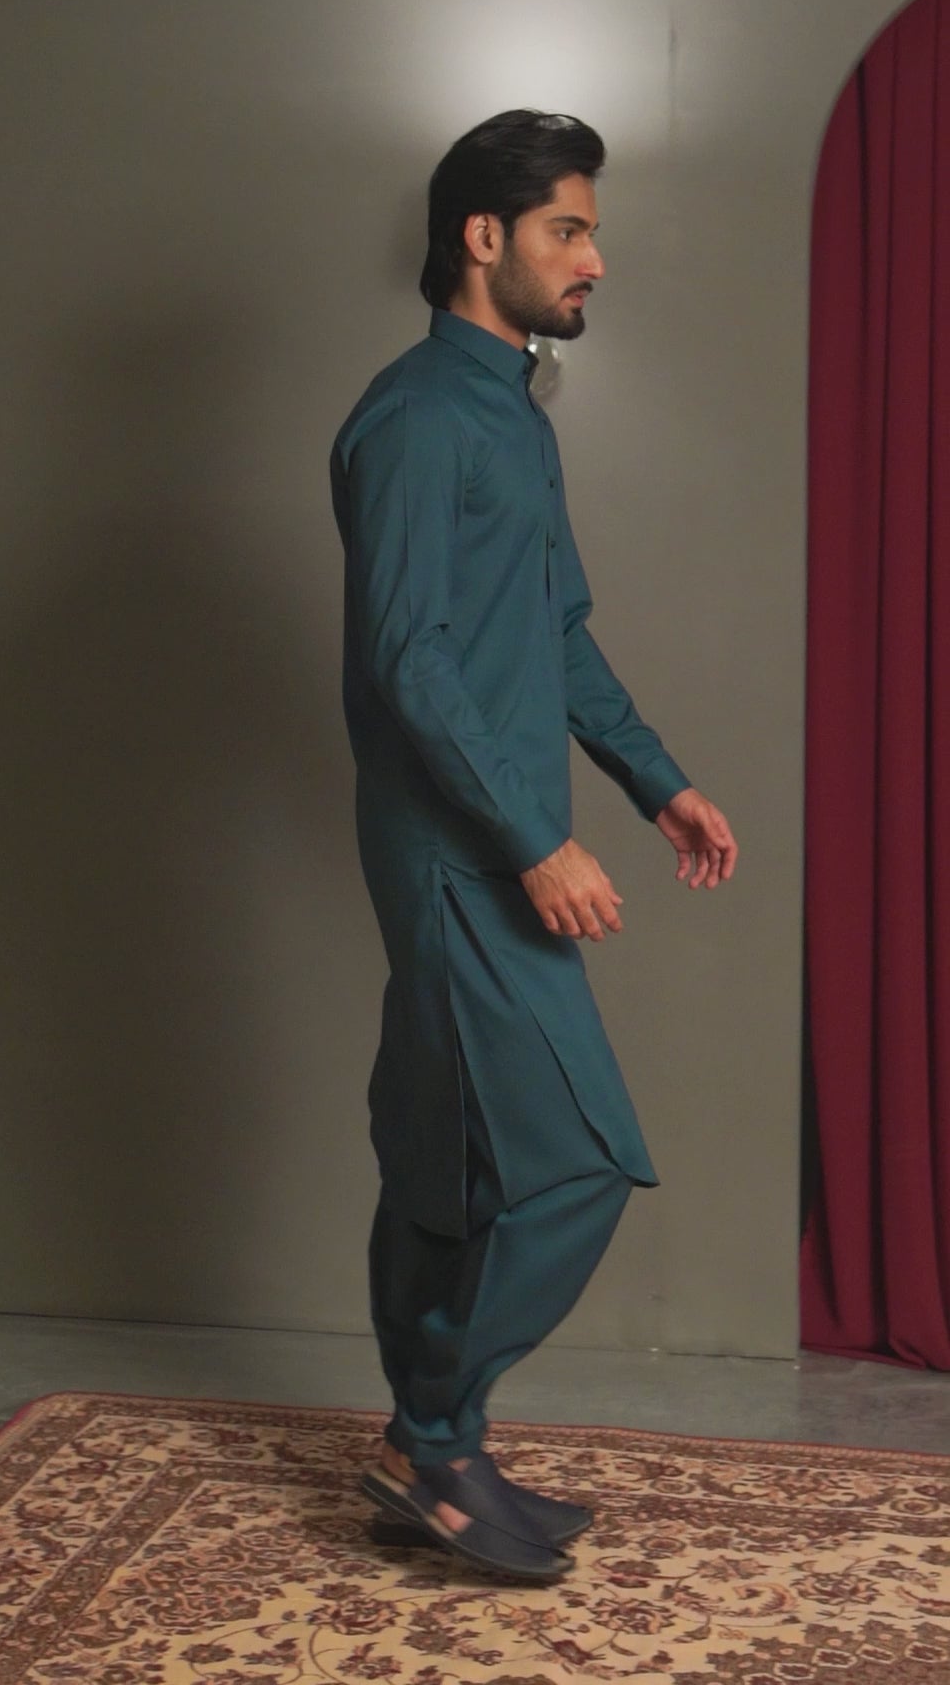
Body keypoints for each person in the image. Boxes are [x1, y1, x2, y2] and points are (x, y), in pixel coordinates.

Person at [328, 109, 738, 1582]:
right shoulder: (415, 419)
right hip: (459, 853)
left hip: (498, 839)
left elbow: (554, 636)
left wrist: (654, 783)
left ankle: (438, 1443)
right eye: (571, 230)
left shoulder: (514, 413)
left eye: (591, 232)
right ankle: (430, 1439)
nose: (594, 260)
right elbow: (410, 660)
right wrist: (530, 845)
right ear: (482, 236)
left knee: (442, 1160)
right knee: (575, 1166)